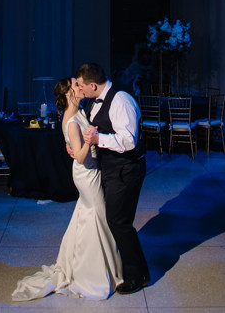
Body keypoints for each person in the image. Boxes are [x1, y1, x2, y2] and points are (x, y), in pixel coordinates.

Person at [12, 77, 122, 301]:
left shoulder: (78, 113)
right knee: (98, 215)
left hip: (92, 171)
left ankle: (100, 266)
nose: (80, 87)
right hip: (86, 173)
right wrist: (91, 140)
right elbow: (80, 157)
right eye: (75, 85)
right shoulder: (71, 121)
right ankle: (93, 273)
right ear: (69, 94)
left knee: (91, 216)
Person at [75, 62, 150, 294]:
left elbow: (129, 141)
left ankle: (139, 275)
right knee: (113, 219)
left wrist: (99, 140)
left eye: (81, 86)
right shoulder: (94, 102)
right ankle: (120, 265)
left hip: (126, 169)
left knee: (119, 221)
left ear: (93, 85)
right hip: (109, 168)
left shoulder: (121, 101)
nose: (80, 90)